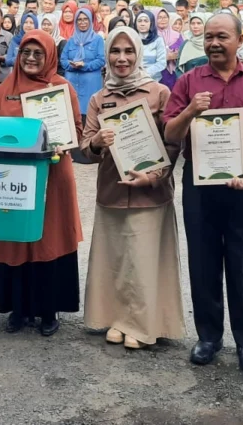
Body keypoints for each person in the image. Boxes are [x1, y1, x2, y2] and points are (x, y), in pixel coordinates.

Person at [163, 12, 243, 375]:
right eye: (209, 37)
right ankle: (209, 336)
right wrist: (190, 110)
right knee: (202, 262)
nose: (214, 43)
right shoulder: (188, 81)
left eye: (222, 37)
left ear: (238, 41)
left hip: (242, 186)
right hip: (199, 188)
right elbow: (170, 133)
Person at [82, 27, 184, 349]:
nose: (122, 58)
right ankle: (116, 319)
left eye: (128, 51)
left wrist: (153, 177)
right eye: (115, 51)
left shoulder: (158, 93)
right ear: (108, 55)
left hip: (149, 194)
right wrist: (96, 143)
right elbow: (84, 148)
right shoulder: (100, 98)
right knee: (114, 260)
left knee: (143, 261)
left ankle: (142, 325)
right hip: (111, 191)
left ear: (138, 53)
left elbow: (172, 144)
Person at [0, 30, 83, 336]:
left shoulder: (62, 88)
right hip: (14, 181)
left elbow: (75, 128)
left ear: (50, 55)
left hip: (52, 178)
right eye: (26, 53)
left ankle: (48, 309)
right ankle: (18, 309)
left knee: (47, 240)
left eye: (39, 53)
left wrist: (65, 142)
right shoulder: (6, 88)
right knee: (15, 239)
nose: (32, 59)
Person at [60, 8, 105, 120]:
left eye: (85, 19)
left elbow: (101, 60)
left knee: (89, 119)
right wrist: (72, 65)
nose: (82, 22)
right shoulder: (71, 40)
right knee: (72, 118)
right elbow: (63, 59)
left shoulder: (98, 39)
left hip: (91, 87)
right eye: (79, 20)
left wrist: (84, 65)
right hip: (72, 84)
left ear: (90, 21)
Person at [134, 10, 167, 81]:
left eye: (146, 21)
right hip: (134, 80)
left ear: (151, 23)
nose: (142, 24)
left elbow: (162, 63)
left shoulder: (158, 40)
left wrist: (144, 73)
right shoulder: (132, 40)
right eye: (139, 21)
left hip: (153, 81)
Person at [158, 9, 184, 90]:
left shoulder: (177, 35)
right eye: (159, 17)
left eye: (165, 17)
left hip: (173, 71)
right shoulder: (153, 35)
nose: (163, 20)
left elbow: (181, 51)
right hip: (157, 73)